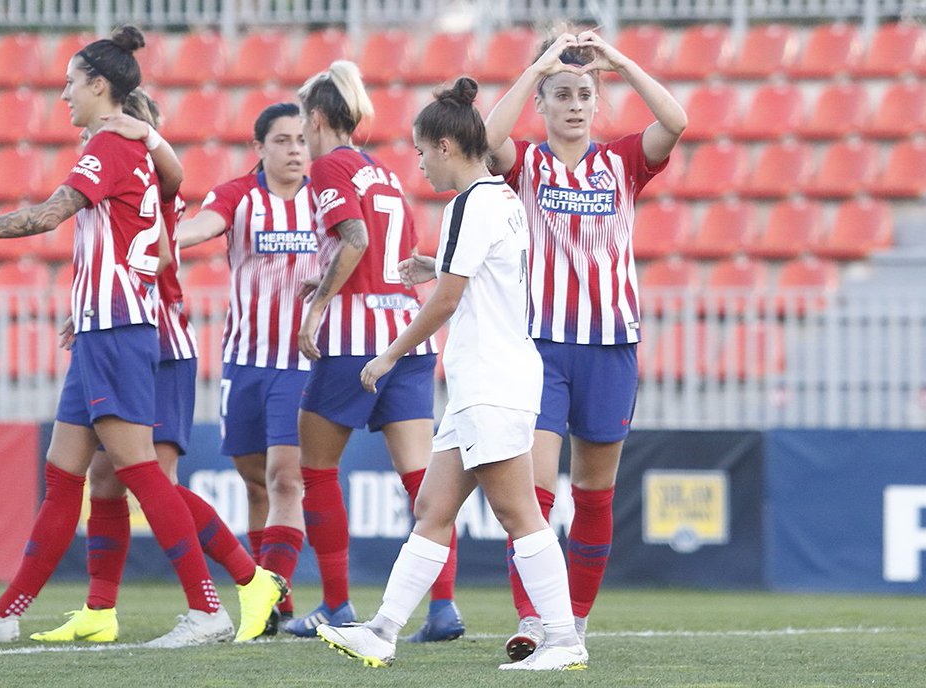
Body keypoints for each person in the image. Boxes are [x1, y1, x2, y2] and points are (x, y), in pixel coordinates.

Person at [0, 26, 263, 646]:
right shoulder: (132, 147)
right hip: (104, 327)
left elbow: (47, 215)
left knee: (142, 472)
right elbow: (152, 204)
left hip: (120, 330)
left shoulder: (110, 148)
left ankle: (208, 610)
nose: (63, 93)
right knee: (65, 474)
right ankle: (6, 614)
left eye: (71, 81)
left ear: (100, 85)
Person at [316, 76, 587, 672]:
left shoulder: (470, 203)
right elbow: (484, 271)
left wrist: (388, 355)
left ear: (444, 145)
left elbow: (445, 300)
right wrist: (434, 262)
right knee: (433, 511)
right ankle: (382, 631)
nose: (419, 165)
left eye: (419, 151)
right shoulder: (501, 199)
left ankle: (565, 640)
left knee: (520, 515)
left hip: (491, 384)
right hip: (484, 384)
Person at [28, 90, 286, 647]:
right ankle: (99, 607)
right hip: (138, 333)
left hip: (160, 342)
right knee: (105, 477)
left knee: (150, 478)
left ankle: (249, 578)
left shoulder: (140, 185)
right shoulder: (134, 183)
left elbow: (161, 254)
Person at [483, 28, 687, 661]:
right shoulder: (525, 163)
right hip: (540, 348)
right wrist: (539, 65)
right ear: (542, 103)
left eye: (583, 94)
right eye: (560, 94)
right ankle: (533, 617)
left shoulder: (623, 161)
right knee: (534, 493)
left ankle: (573, 618)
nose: (573, 105)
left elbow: (675, 121)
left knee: (594, 495)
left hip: (610, 345)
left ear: (596, 102)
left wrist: (620, 61)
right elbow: (488, 140)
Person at [286, 60, 462, 642]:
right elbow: (395, 254)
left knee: (315, 470)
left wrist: (317, 305)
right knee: (422, 482)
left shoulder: (329, 167)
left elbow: (355, 240)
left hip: (352, 343)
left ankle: (336, 605)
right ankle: (443, 609)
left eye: (302, 123)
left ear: (316, 118)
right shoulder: (381, 172)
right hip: (405, 338)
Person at [175, 102, 318, 633]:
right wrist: (165, 239)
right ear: (260, 148)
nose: (295, 150)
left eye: (302, 139)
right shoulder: (240, 195)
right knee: (256, 485)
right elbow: (205, 224)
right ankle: (271, 591)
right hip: (244, 363)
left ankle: (270, 600)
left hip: (301, 364)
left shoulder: (325, 199)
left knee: (286, 481)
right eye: (282, 140)